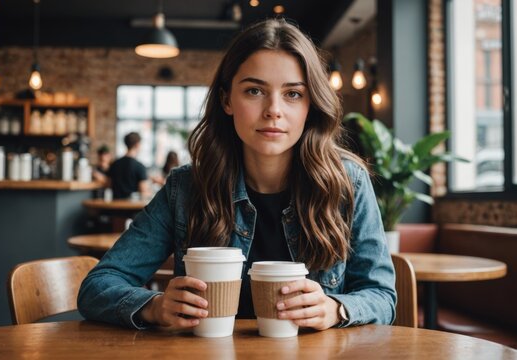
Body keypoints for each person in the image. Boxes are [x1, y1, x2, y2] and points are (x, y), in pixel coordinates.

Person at [78, 19, 396, 331]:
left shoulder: (348, 183)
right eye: (255, 91)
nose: (274, 110)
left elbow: (382, 297)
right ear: (227, 99)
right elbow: (98, 286)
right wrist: (154, 306)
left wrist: (336, 308)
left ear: (311, 105)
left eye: (293, 94)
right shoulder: (186, 188)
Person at [107, 132, 150, 199]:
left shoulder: (114, 164)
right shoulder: (139, 166)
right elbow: (143, 192)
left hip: (114, 206)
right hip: (132, 207)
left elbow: (109, 184)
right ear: (137, 145)